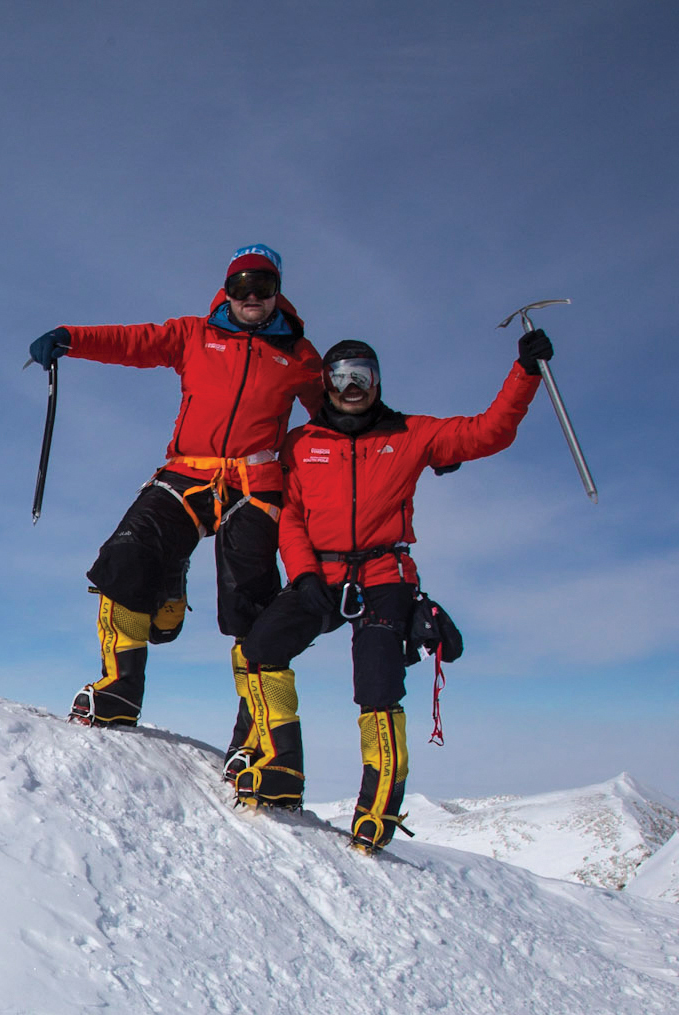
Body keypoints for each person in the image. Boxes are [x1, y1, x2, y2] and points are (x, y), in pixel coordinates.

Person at [229, 328, 554, 851]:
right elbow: (291, 515)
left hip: (385, 577)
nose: (351, 385)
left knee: (378, 686)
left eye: (363, 374)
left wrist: (525, 373)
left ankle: (377, 810)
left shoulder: (412, 433)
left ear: (378, 381)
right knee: (257, 650)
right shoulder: (302, 442)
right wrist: (304, 573)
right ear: (326, 384)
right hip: (323, 574)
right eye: (340, 376)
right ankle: (282, 767)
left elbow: (489, 433)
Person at [29, 245, 324, 736]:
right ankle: (119, 691)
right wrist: (71, 338)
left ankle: (255, 735)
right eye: (241, 286)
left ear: (277, 292)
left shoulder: (299, 355)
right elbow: (134, 343)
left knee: (249, 603)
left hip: (254, 483)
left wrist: (402, 448)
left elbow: (334, 422)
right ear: (227, 291)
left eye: (263, 286)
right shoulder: (194, 333)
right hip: (187, 473)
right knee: (126, 555)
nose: (252, 296)